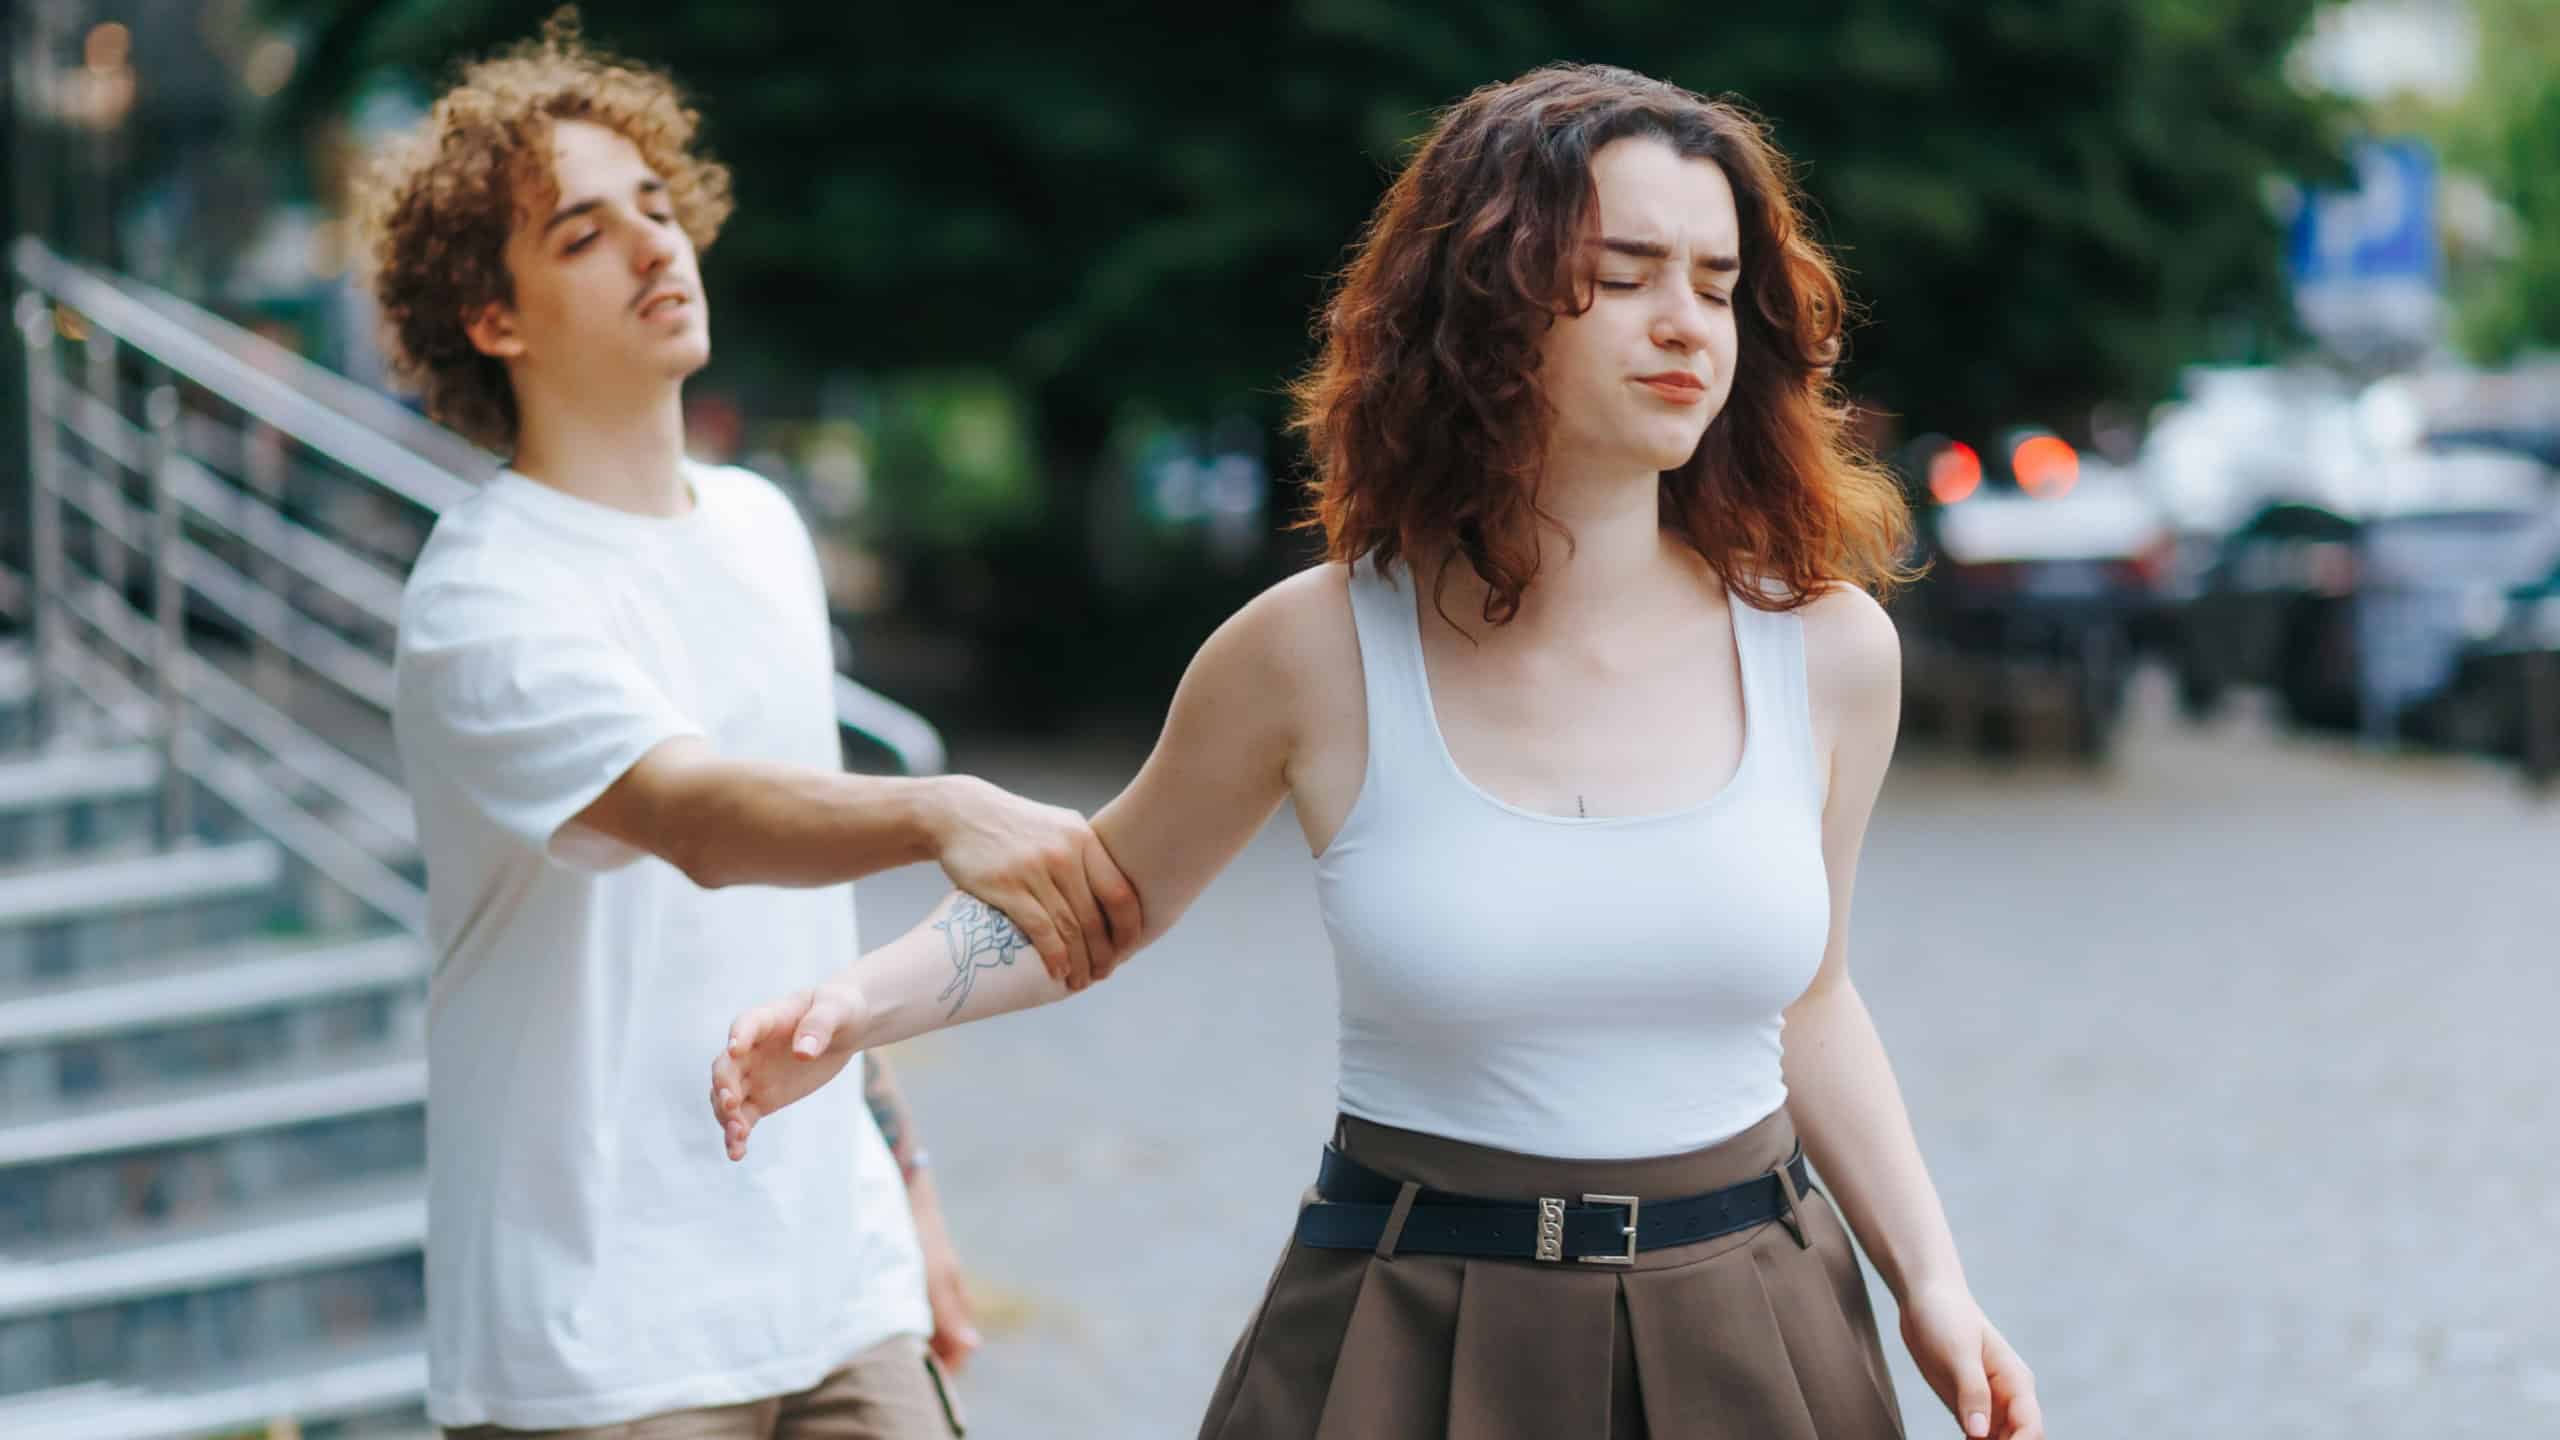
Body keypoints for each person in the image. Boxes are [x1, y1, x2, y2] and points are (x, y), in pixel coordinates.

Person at [711, 63, 2044, 1440]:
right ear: (1494, 297)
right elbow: (1096, 898)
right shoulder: (1314, 649)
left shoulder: (1826, 652)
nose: (1686, 325)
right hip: (1411, 1332)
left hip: (1752, 1331)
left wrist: (1928, 1278)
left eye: (1716, 285)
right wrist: (851, 1006)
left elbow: (1811, 997)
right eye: (1629, 271)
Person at [361, 15, 1140, 1437]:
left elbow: (800, 928)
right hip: (604, 1339)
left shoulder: (762, 528)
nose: (658, 248)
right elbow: (704, 820)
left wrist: (903, 1189)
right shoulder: (485, 595)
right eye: (585, 234)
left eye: (658, 207)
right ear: (496, 318)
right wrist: (940, 809)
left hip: (835, 1285)